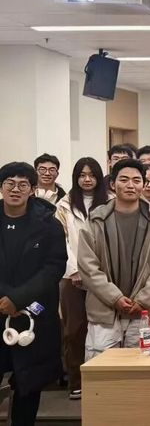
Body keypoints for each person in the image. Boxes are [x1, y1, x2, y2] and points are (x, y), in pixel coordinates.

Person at [78, 159, 150, 360]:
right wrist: (114, 297)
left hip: (141, 311)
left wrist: (143, 299)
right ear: (113, 184)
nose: (131, 185)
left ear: (143, 184)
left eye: (136, 180)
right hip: (104, 310)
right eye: (124, 180)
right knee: (101, 367)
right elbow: (88, 266)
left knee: (137, 366)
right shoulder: (96, 220)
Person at [0, 162, 67, 423]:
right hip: (0, 306)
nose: (15, 189)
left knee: (29, 385)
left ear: (32, 189)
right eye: (10, 183)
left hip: (34, 313)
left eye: (23, 184)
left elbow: (54, 266)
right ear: (2, 187)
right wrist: (5, 298)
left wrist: (18, 299)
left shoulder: (48, 224)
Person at [54, 157, 109, 400]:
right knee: (74, 330)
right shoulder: (64, 205)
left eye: (92, 175)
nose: (87, 179)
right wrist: (74, 269)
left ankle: (103, 379)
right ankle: (76, 381)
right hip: (72, 276)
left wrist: (99, 272)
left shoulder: (110, 202)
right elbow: (62, 241)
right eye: (82, 175)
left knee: (104, 329)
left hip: (104, 277)